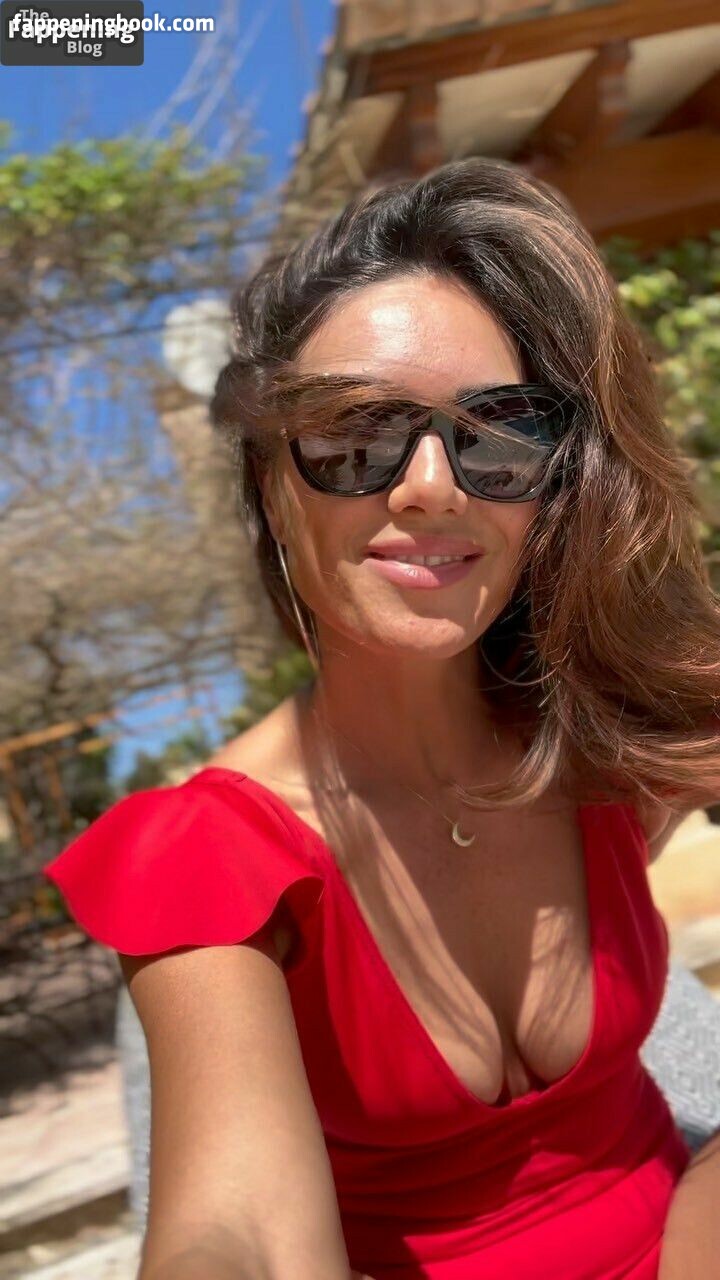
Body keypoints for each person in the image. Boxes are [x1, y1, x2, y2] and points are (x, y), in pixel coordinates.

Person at [43, 158, 720, 1280]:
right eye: (358, 435)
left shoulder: (603, 738)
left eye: (500, 433)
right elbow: (240, 1233)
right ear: (274, 489)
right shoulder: (212, 853)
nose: (433, 485)